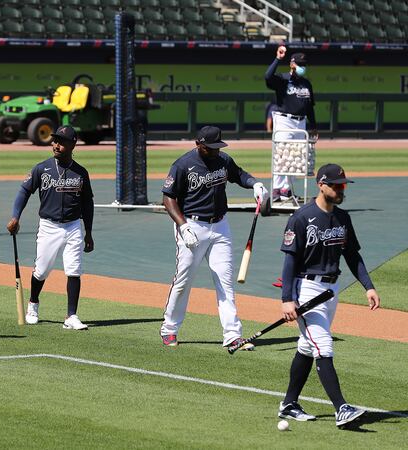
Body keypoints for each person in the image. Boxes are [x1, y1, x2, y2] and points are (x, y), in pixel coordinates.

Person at [278, 163, 380, 428]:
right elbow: (289, 261)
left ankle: (289, 403)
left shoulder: (343, 218)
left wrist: (368, 286)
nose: (340, 189)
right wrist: (287, 299)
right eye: (335, 185)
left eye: (342, 185)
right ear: (321, 185)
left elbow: (352, 255)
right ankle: (341, 408)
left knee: (306, 346)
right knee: (323, 345)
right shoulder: (301, 217)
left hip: (331, 291)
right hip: (306, 289)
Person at [159, 125, 268, 350]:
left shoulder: (222, 159)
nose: (216, 151)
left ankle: (232, 335)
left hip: (220, 227)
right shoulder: (182, 165)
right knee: (183, 280)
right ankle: (169, 328)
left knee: (225, 282)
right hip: (192, 225)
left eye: (218, 147)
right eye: (211, 148)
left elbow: (239, 175)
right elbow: (168, 199)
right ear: (198, 144)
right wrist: (183, 226)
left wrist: (255, 184)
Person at [7, 125, 94, 330]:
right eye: (55, 141)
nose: (56, 145)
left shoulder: (81, 172)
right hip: (49, 226)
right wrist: (15, 217)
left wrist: (88, 232)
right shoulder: (42, 168)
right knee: (42, 270)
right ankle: (33, 304)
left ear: (73, 144)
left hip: (73, 226)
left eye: (61, 141)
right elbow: (24, 191)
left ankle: (71, 316)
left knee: (74, 269)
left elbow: (87, 203)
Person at [265, 45, 317, 202]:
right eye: (299, 64)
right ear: (292, 64)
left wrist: (313, 126)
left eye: (304, 65)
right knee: (282, 155)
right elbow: (268, 77)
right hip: (284, 120)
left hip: (301, 122)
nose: (302, 67)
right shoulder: (282, 79)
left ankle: (286, 190)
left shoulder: (306, 84)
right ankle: (276, 190)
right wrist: (278, 59)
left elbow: (309, 107)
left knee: (296, 157)